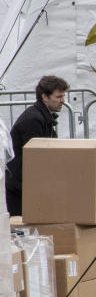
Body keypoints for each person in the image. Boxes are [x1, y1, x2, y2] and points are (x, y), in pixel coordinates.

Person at [4, 75, 69, 216]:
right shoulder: (34, 120)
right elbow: (36, 158)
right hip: (19, 187)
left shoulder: (42, 117)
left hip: (25, 184)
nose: (63, 101)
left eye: (63, 96)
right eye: (58, 97)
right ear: (45, 97)